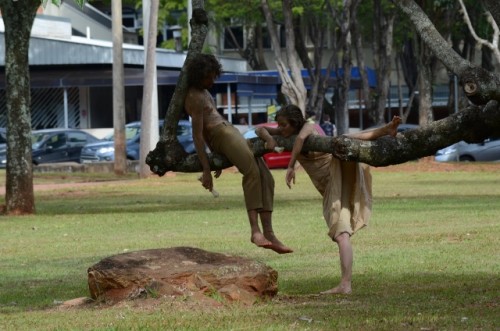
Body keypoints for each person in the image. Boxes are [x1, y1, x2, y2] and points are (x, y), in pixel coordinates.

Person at [256, 105, 401, 294]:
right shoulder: (285, 132)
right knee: (342, 234)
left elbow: (300, 138)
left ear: (295, 122)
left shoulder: (308, 126)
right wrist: (269, 137)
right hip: (327, 187)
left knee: (341, 234)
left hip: (337, 176)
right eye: (279, 125)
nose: (280, 128)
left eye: (283, 125)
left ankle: (345, 284)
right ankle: (384, 130)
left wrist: (290, 166)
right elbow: (260, 129)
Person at [184, 53, 293, 254]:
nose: (212, 80)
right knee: (251, 172)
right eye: (209, 76)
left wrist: (217, 156)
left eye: (214, 76)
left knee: (266, 176)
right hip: (222, 134)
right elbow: (198, 135)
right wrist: (207, 167)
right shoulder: (194, 96)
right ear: (199, 75)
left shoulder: (204, 93)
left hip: (229, 131)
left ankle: (269, 232)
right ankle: (255, 231)